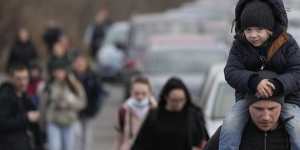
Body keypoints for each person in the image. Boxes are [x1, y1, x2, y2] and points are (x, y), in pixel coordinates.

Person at [222, 0, 300, 149]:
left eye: (259, 29)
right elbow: (231, 71)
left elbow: (297, 71)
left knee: (298, 128)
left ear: (270, 29)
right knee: (230, 123)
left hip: (288, 99)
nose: (253, 35)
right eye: (248, 29)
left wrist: (278, 84)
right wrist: (253, 82)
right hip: (248, 99)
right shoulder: (239, 45)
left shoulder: (287, 43)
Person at [132, 77, 209, 150]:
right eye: (174, 100)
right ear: (166, 97)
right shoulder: (154, 116)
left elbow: (204, 141)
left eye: (182, 100)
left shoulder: (193, 115)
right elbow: (141, 144)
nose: (179, 104)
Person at [205, 92, 292, 150]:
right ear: (247, 107)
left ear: (281, 107)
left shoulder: (293, 134)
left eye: (272, 109)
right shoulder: (228, 133)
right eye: (259, 109)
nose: (266, 117)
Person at [40, 60, 86, 150]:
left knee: (68, 147)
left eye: (62, 71)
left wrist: (69, 103)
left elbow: (82, 103)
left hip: (69, 121)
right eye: (57, 71)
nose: (59, 74)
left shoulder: (74, 85)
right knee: (54, 147)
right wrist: (42, 122)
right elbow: (43, 105)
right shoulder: (49, 86)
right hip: (53, 120)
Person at [0, 64, 40, 150]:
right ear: (11, 78)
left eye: (25, 78)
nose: (23, 82)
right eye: (19, 79)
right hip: (8, 144)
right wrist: (26, 117)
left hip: (23, 143)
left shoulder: (24, 95)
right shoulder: (5, 96)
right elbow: (3, 123)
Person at [72, 53, 107, 150]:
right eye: (77, 62)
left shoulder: (93, 76)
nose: (79, 64)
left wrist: (95, 108)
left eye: (81, 62)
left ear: (86, 63)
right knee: (76, 135)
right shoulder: (70, 77)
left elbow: (100, 94)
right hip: (74, 112)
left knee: (87, 135)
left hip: (89, 111)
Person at [115, 76, 157, 150]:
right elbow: (119, 137)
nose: (140, 97)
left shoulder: (156, 111)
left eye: (144, 94)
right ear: (131, 92)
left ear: (150, 93)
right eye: (136, 93)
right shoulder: (123, 110)